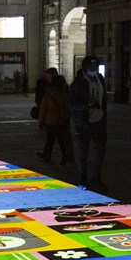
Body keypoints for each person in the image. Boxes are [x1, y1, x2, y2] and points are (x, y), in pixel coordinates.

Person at [69, 56, 108, 191]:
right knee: (82, 153)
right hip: (83, 122)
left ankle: (96, 178)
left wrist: (103, 115)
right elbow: (72, 104)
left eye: (95, 66)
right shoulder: (77, 83)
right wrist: (86, 104)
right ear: (85, 68)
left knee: (100, 152)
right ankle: (82, 179)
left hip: (99, 121)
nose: (93, 69)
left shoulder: (100, 80)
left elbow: (104, 100)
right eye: (91, 67)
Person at [38, 74, 73, 164]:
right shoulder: (63, 94)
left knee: (50, 140)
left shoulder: (48, 95)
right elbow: (67, 108)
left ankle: (47, 156)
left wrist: (40, 122)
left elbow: (43, 110)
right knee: (61, 140)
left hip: (50, 122)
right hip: (61, 121)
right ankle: (64, 156)